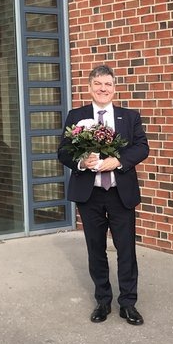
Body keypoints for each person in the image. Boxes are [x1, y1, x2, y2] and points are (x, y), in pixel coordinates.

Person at [57, 65, 149, 325]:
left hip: (121, 192)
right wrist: (80, 162)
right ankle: (103, 301)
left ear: (115, 88)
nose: (103, 89)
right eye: (98, 84)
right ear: (89, 87)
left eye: (108, 84)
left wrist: (117, 161)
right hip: (90, 193)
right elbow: (63, 151)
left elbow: (142, 148)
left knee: (126, 249)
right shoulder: (77, 116)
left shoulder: (129, 117)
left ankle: (128, 303)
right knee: (95, 248)